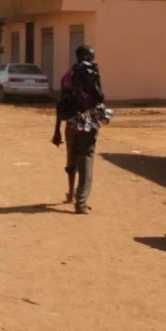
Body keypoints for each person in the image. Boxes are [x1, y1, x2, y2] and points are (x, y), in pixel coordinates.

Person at [51, 45, 105, 214]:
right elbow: (100, 96)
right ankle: (81, 203)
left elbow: (61, 103)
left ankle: (70, 192)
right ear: (89, 57)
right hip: (88, 121)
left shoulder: (67, 75)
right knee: (86, 159)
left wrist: (57, 130)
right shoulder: (91, 72)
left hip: (71, 122)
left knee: (71, 157)